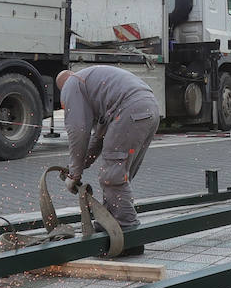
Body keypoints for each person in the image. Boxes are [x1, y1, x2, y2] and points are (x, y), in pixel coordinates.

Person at [56, 66, 160, 256]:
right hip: (148, 108)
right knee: (117, 176)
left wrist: (74, 173)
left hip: (130, 111)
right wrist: (82, 164)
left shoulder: (71, 85)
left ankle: (128, 237)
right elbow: (100, 137)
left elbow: (78, 131)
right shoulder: (93, 84)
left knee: (112, 177)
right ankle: (109, 227)